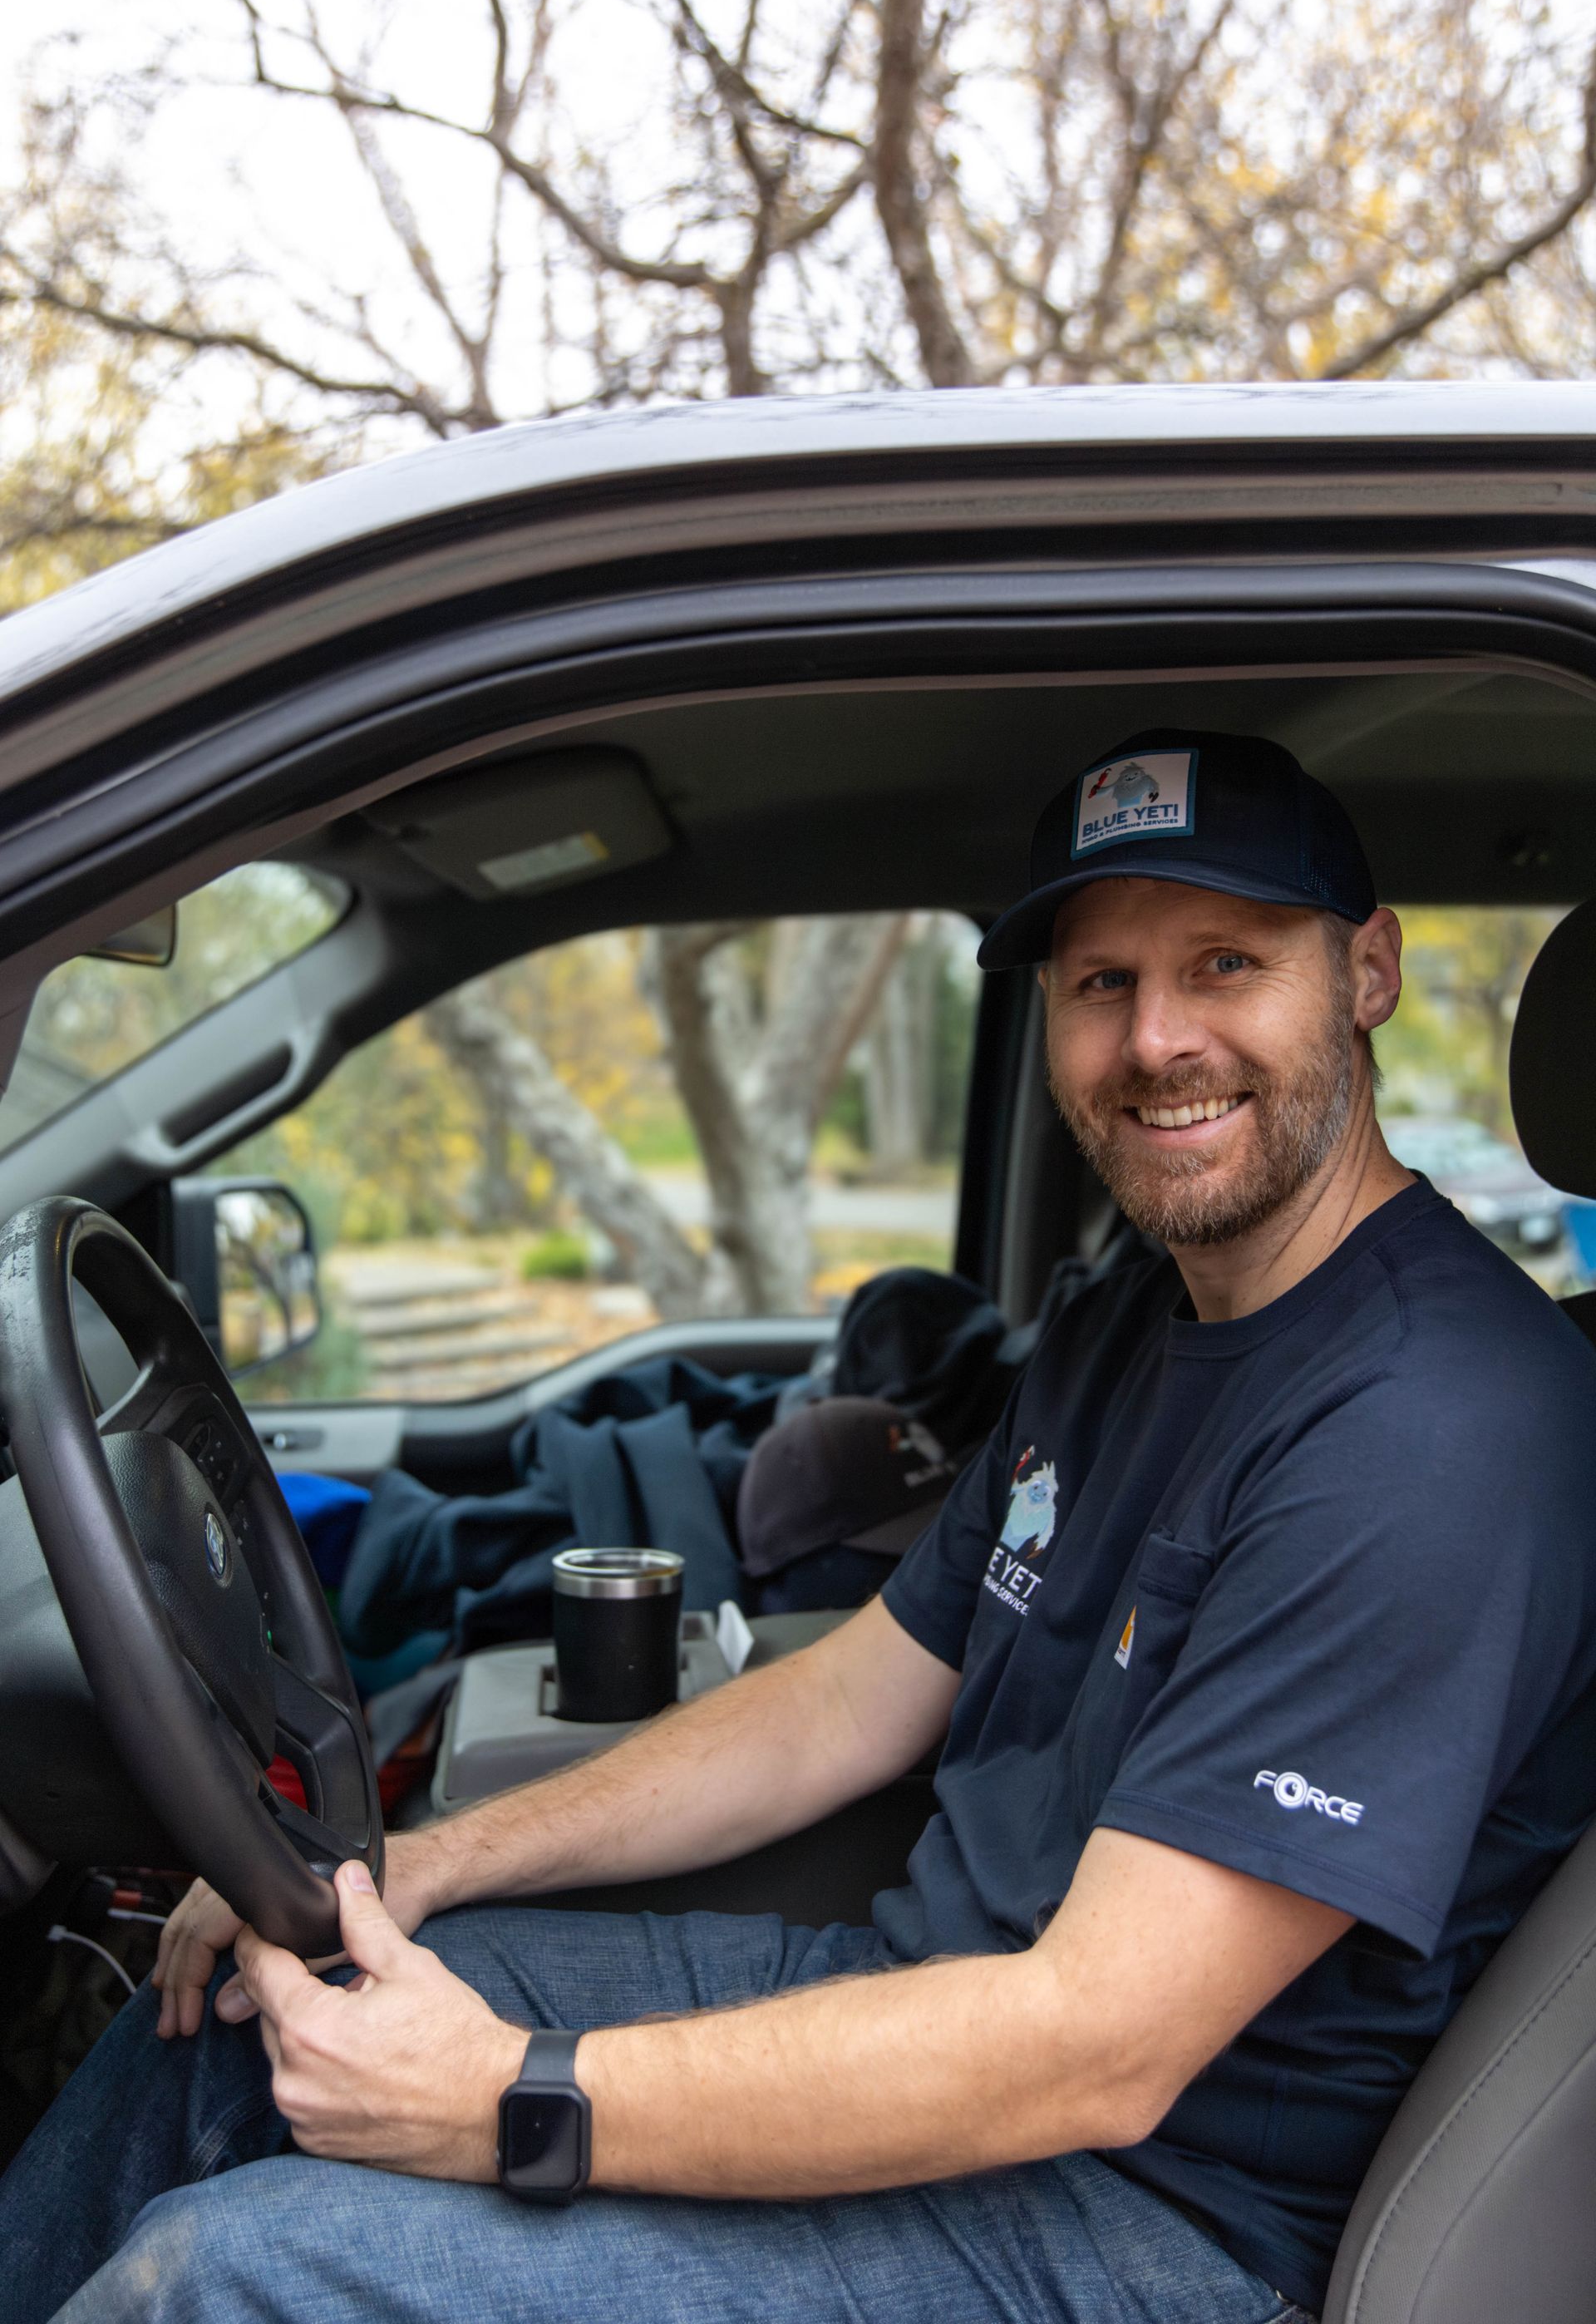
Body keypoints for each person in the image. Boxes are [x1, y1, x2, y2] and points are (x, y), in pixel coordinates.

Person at [7, 729, 1596, 2324]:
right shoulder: (1133, 1322)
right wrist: (411, 1866)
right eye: (1102, 984)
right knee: (249, 2020)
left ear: (1369, 973)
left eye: (1227, 962)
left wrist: (507, 2094)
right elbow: (854, 1695)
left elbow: (1097, 2047)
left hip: (1149, 2229)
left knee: (222, 2284)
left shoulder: (1439, 1424)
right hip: (921, 2012)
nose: (1157, 1038)